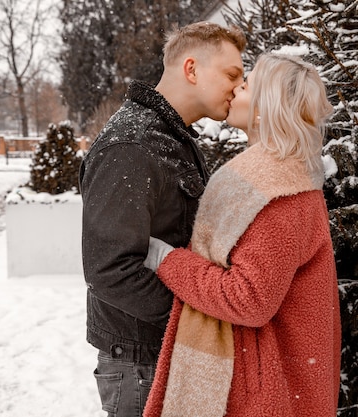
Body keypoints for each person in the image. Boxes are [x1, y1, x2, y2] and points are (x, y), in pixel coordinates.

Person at [143, 53, 342, 417]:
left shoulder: (279, 192)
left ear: (268, 106)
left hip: (261, 390)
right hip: (263, 378)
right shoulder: (279, 176)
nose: (236, 88)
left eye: (247, 85)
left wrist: (166, 259)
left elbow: (248, 299)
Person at [79, 22, 246, 417]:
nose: (238, 87)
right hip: (143, 364)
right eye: (231, 74)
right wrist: (197, 315)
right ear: (191, 69)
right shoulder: (132, 146)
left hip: (161, 355)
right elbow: (109, 269)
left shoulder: (171, 137)